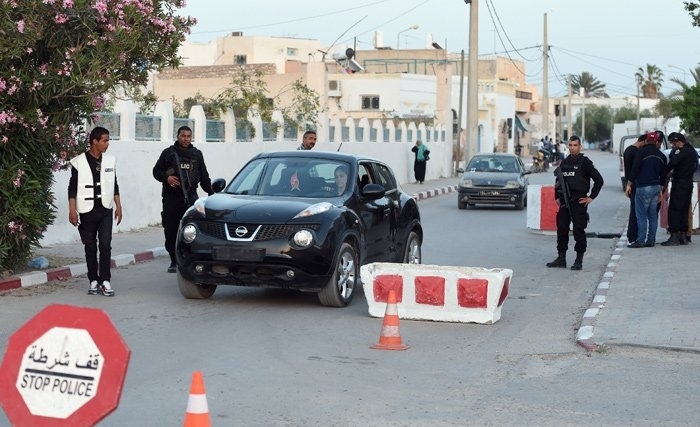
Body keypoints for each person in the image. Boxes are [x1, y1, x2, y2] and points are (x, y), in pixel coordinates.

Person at [68, 127, 123, 296]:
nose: (107, 144)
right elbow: (72, 188)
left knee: (105, 245)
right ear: (95, 142)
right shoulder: (79, 162)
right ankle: (93, 280)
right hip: (86, 210)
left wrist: (118, 206)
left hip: (105, 209)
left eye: (108, 140)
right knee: (90, 246)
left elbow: (114, 184)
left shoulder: (110, 161)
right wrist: (72, 210)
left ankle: (105, 280)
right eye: (105, 140)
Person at [153, 126, 213, 273]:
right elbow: (156, 171)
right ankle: (174, 260)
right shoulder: (168, 153)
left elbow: (204, 176)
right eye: (183, 136)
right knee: (171, 230)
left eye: (188, 136)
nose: (185, 139)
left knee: (193, 231)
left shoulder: (196, 154)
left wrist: (212, 193)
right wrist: (166, 178)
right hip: (171, 198)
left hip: (191, 198)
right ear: (178, 136)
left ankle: (190, 259)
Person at [546, 135, 604, 271]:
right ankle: (561, 258)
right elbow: (558, 182)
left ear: (580, 146)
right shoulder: (565, 163)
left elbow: (599, 180)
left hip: (579, 201)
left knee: (578, 230)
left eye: (575, 145)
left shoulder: (585, 162)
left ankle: (579, 260)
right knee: (562, 229)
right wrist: (557, 197)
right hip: (565, 202)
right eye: (570, 145)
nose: (572, 148)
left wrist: (591, 197)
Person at [625, 132, 667, 248]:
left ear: (646, 140)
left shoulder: (641, 152)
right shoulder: (661, 156)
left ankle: (640, 240)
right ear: (656, 141)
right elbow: (664, 175)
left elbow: (635, 168)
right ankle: (651, 240)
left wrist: (629, 184)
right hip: (656, 188)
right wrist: (661, 191)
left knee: (641, 215)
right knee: (653, 215)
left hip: (643, 187)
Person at [661, 132, 698, 246]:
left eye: (673, 143)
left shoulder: (681, 152)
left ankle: (674, 237)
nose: (672, 145)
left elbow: (672, 164)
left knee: (675, 209)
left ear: (678, 141)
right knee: (684, 209)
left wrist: (665, 172)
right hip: (688, 183)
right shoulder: (692, 151)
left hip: (680, 183)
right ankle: (683, 236)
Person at [622, 134, 647, 245]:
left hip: (630, 183)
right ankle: (633, 236)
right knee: (636, 211)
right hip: (636, 183)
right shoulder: (636, 152)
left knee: (634, 210)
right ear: (643, 141)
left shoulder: (628, 150)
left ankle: (632, 235)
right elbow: (636, 169)